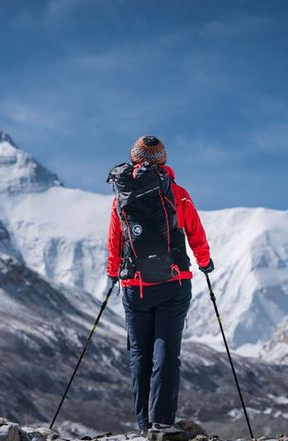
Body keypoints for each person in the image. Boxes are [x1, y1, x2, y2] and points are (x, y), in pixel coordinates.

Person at [106, 135, 213, 431]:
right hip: (173, 284)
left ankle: (143, 425)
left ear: (134, 158)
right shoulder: (178, 194)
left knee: (140, 355)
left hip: (134, 287)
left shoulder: (121, 197)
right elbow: (195, 232)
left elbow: (115, 239)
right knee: (166, 354)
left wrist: (113, 272)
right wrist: (204, 262)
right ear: (162, 161)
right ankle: (162, 424)